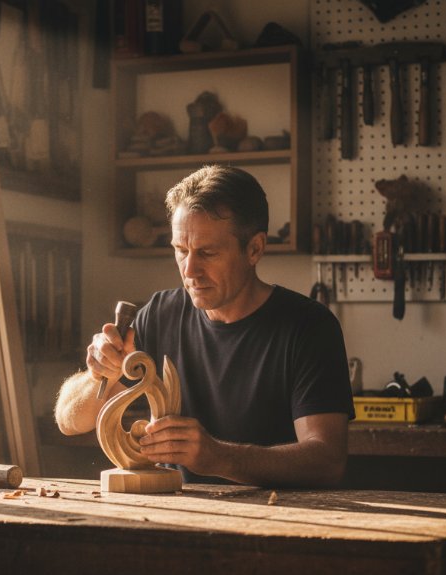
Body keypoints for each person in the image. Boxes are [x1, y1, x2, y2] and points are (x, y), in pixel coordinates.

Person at [54, 165, 353, 488]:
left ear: (254, 249)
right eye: (181, 251)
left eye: (207, 253)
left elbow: (326, 461)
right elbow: (69, 421)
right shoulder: (159, 315)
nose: (190, 270)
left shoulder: (309, 327)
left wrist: (218, 457)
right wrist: (100, 374)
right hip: (181, 516)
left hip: (278, 519)